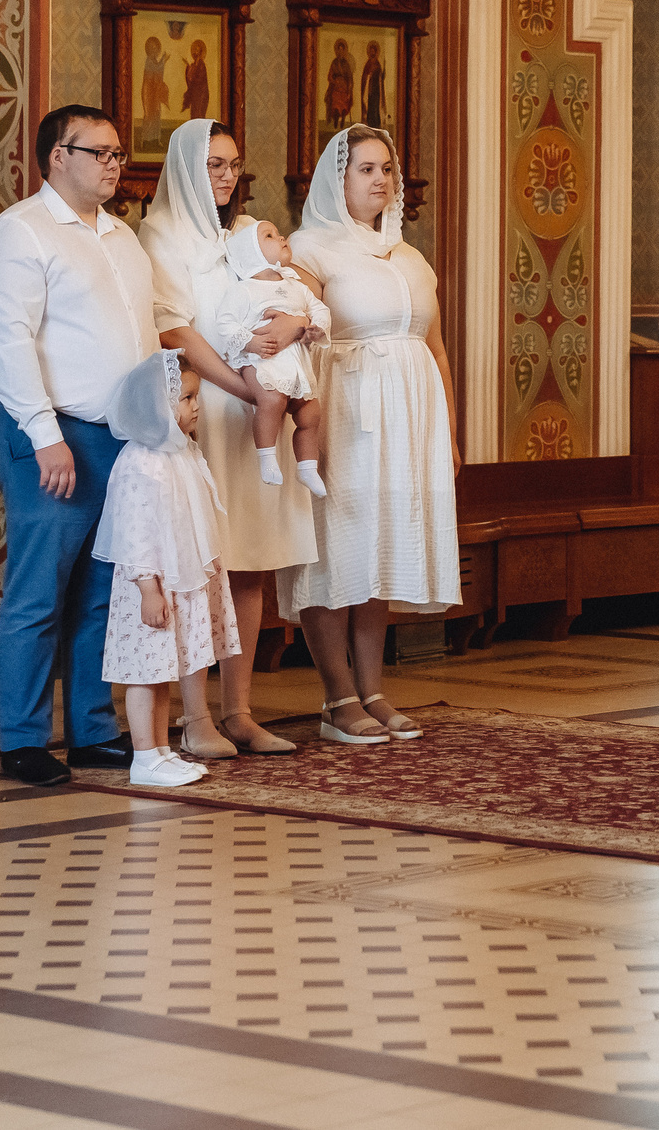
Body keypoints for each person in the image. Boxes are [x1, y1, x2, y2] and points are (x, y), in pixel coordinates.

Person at [0, 105, 164, 786]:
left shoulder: (122, 237)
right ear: (57, 155)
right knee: (39, 592)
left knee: (101, 592)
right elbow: (11, 342)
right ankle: (23, 739)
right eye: (101, 152)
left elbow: (144, 336)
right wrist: (46, 435)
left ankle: (91, 728)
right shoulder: (20, 232)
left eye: (119, 153)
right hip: (51, 433)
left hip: (120, 436)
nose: (115, 163)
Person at [140, 118, 317, 757]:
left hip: (260, 406)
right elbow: (174, 332)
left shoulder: (251, 232)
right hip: (207, 405)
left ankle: (238, 710)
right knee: (200, 561)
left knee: (249, 559)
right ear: (186, 167)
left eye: (233, 163)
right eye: (213, 164)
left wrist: (295, 326)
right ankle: (194, 717)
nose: (225, 175)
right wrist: (242, 390)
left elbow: (299, 290)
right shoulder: (161, 234)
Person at [284, 125, 459, 745]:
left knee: (380, 549)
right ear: (338, 178)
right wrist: (310, 433)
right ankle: (337, 698)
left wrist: (450, 434)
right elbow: (299, 349)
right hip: (346, 412)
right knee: (338, 550)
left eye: (387, 168)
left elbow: (434, 348)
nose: (381, 179)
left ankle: (374, 688)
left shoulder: (409, 255)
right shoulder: (309, 249)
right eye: (364, 169)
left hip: (409, 419)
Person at [94, 350, 230, 788]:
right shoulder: (141, 461)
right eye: (187, 397)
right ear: (156, 406)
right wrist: (148, 588)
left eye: (196, 397)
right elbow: (133, 532)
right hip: (149, 587)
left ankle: (160, 751)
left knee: (163, 672)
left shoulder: (181, 453)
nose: (196, 406)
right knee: (144, 673)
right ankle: (143, 757)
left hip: (175, 581)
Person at [220, 218, 330, 493]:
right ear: (252, 253)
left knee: (310, 413)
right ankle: (267, 458)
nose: (282, 238)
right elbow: (225, 324)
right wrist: (251, 342)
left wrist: (317, 327)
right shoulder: (243, 290)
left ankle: (307, 468)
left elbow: (320, 309)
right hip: (262, 360)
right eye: (270, 236)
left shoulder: (297, 286)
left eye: (279, 233)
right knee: (271, 400)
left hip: (295, 364)